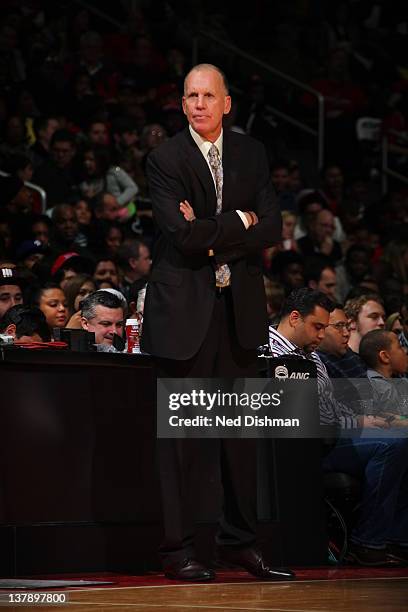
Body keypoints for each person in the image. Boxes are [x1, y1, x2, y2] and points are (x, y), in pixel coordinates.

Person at [141, 63, 289, 582]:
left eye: (208, 95)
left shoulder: (252, 153)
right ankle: (177, 550)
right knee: (180, 442)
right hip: (184, 314)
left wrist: (212, 228)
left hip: (239, 312)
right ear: (182, 105)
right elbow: (180, 238)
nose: (198, 104)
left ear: (228, 103)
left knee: (240, 438)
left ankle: (241, 545)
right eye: (190, 96)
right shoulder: (165, 158)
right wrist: (238, 222)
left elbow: (271, 226)